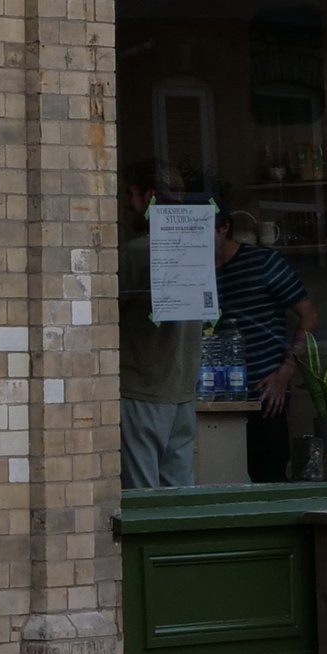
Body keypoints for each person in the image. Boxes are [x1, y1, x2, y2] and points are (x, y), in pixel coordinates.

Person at [118, 163, 204, 489]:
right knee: (179, 499)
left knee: (142, 501)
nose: (127, 204)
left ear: (149, 196)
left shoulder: (134, 254)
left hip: (141, 389)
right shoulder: (194, 249)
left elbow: (102, 317)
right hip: (182, 391)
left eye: (131, 195)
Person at [214, 209, 315, 483]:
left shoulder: (263, 262)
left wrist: (285, 372)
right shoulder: (196, 271)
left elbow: (309, 315)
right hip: (215, 397)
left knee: (268, 476)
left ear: (224, 228)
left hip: (265, 393)